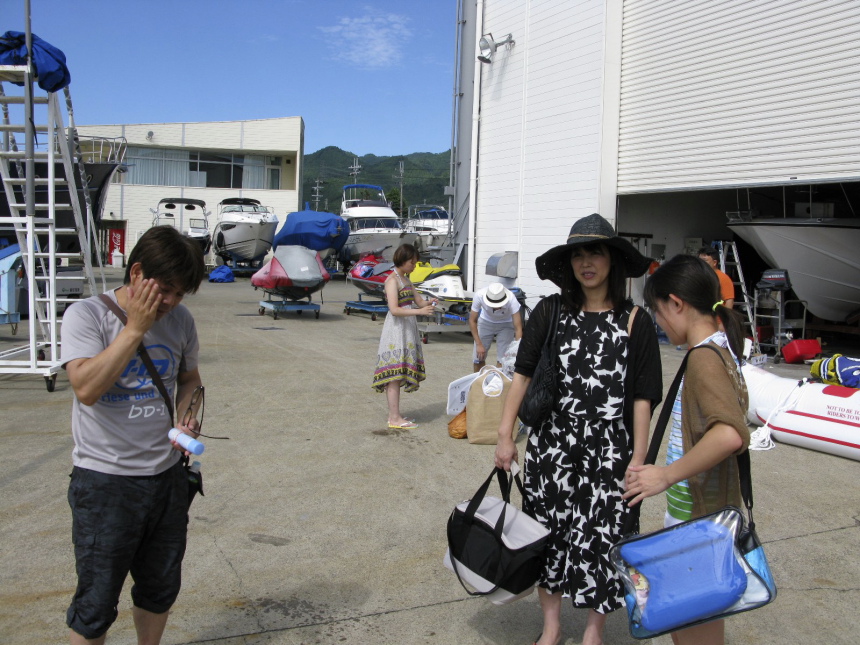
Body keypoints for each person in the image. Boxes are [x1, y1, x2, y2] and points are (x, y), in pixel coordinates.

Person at [494, 213, 663, 645]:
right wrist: (505, 436)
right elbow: (522, 375)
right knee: (546, 533)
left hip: (610, 449)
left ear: (613, 261)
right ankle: (551, 628)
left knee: (604, 538)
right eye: (578, 255)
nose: (586, 263)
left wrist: (639, 460)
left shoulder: (635, 320)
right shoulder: (550, 311)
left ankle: (593, 633)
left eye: (596, 253)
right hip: (552, 444)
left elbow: (643, 398)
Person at [61, 226, 206, 645]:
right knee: (95, 604)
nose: (171, 302)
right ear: (137, 272)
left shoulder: (180, 320)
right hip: (105, 483)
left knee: (160, 588)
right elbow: (86, 389)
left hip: (166, 478)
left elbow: (189, 379)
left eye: (180, 294)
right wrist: (135, 329)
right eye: (165, 290)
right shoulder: (87, 315)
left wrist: (187, 415)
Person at [623, 253, 750, 645]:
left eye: (657, 311)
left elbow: (729, 434)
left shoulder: (704, 359)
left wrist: (665, 475)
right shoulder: (719, 348)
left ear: (676, 303)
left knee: (694, 631)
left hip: (699, 520)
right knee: (692, 625)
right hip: (702, 515)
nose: (658, 322)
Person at [371, 243, 437, 429]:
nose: (414, 266)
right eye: (412, 262)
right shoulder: (392, 281)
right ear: (402, 260)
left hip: (406, 329)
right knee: (394, 374)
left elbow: (419, 301)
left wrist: (429, 302)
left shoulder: (406, 279)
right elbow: (394, 309)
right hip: (396, 330)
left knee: (399, 373)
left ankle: (395, 415)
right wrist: (419, 311)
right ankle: (394, 418)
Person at [469, 282, 523, 372]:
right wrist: (479, 344)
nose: (496, 308)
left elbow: (518, 328)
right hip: (485, 322)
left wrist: (517, 349)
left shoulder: (511, 299)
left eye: (498, 305)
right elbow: (472, 320)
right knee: (478, 358)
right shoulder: (479, 295)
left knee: (503, 360)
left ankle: (498, 379)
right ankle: (479, 379)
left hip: (506, 324)